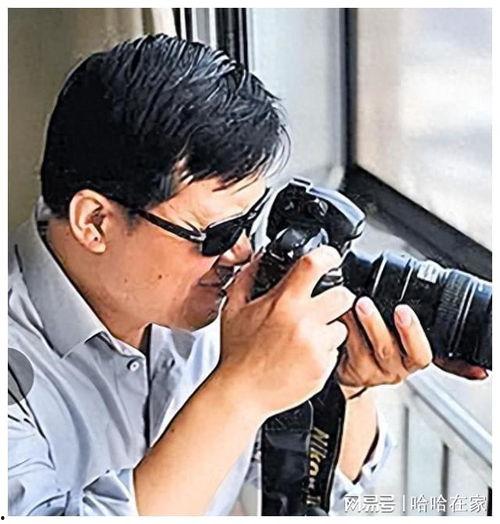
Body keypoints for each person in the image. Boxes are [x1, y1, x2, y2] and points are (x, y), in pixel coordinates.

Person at [9, 34, 439, 516]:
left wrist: (345, 390)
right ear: (95, 222)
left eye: (251, 221)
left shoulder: (216, 300)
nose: (242, 253)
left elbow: (317, 493)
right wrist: (242, 386)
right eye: (216, 233)